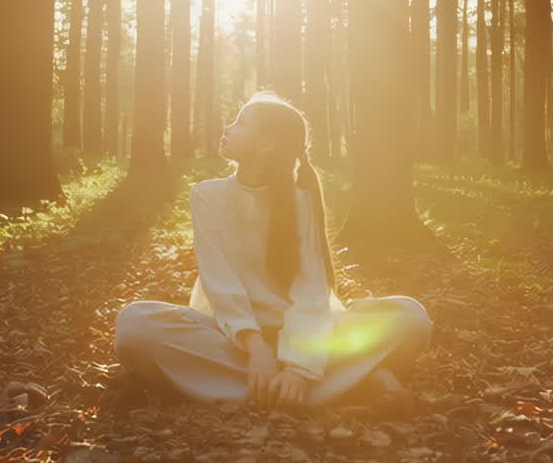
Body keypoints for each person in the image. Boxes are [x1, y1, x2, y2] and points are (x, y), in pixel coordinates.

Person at [114, 92, 432, 409]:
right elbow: (219, 282)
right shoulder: (206, 195)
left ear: (266, 145)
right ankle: (348, 382)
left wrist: (299, 367)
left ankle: (270, 386)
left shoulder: (301, 202)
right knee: (134, 325)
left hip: (308, 336)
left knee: (410, 317)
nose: (227, 127)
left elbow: (311, 291)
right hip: (232, 337)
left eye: (240, 123)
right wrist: (257, 349)